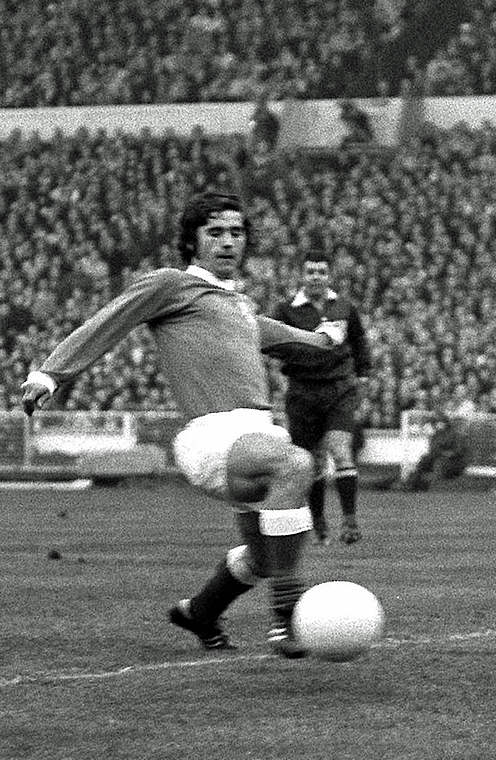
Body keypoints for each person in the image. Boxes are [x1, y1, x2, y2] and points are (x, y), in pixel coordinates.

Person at [19, 191, 349, 658]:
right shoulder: (170, 284)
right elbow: (108, 320)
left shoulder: (240, 306)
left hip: (256, 436)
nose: (228, 241)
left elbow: (278, 335)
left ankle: (201, 612)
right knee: (297, 464)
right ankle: (287, 619)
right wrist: (50, 373)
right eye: (215, 232)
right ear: (192, 242)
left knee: (261, 556)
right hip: (213, 437)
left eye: (236, 232)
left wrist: (322, 339)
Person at [271, 251, 371, 545]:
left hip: (339, 389)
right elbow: (272, 344)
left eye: (321, 271)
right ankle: (318, 521)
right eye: (311, 271)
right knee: (310, 462)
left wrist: (363, 373)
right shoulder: (286, 310)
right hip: (302, 392)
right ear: (302, 275)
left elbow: (359, 340)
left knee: (340, 450)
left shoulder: (343, 306)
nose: (316, 276)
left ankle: (350, 522)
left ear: (328, 275)